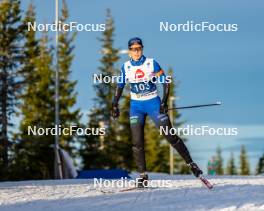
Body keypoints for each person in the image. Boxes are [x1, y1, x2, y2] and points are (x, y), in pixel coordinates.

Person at [111, 37, 203, 187]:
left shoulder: (151, 63)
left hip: (153, 103)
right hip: (136, 106)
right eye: (134, 49)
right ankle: (142, 176)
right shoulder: (126, 67)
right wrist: (114, 104)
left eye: (139, 48)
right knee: (137, 142)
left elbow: (165, 82)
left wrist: (164, 102)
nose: (137, 51)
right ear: (129, 52)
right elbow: (119, 86)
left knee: (170, 136)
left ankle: (192, 164)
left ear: (142, 49)